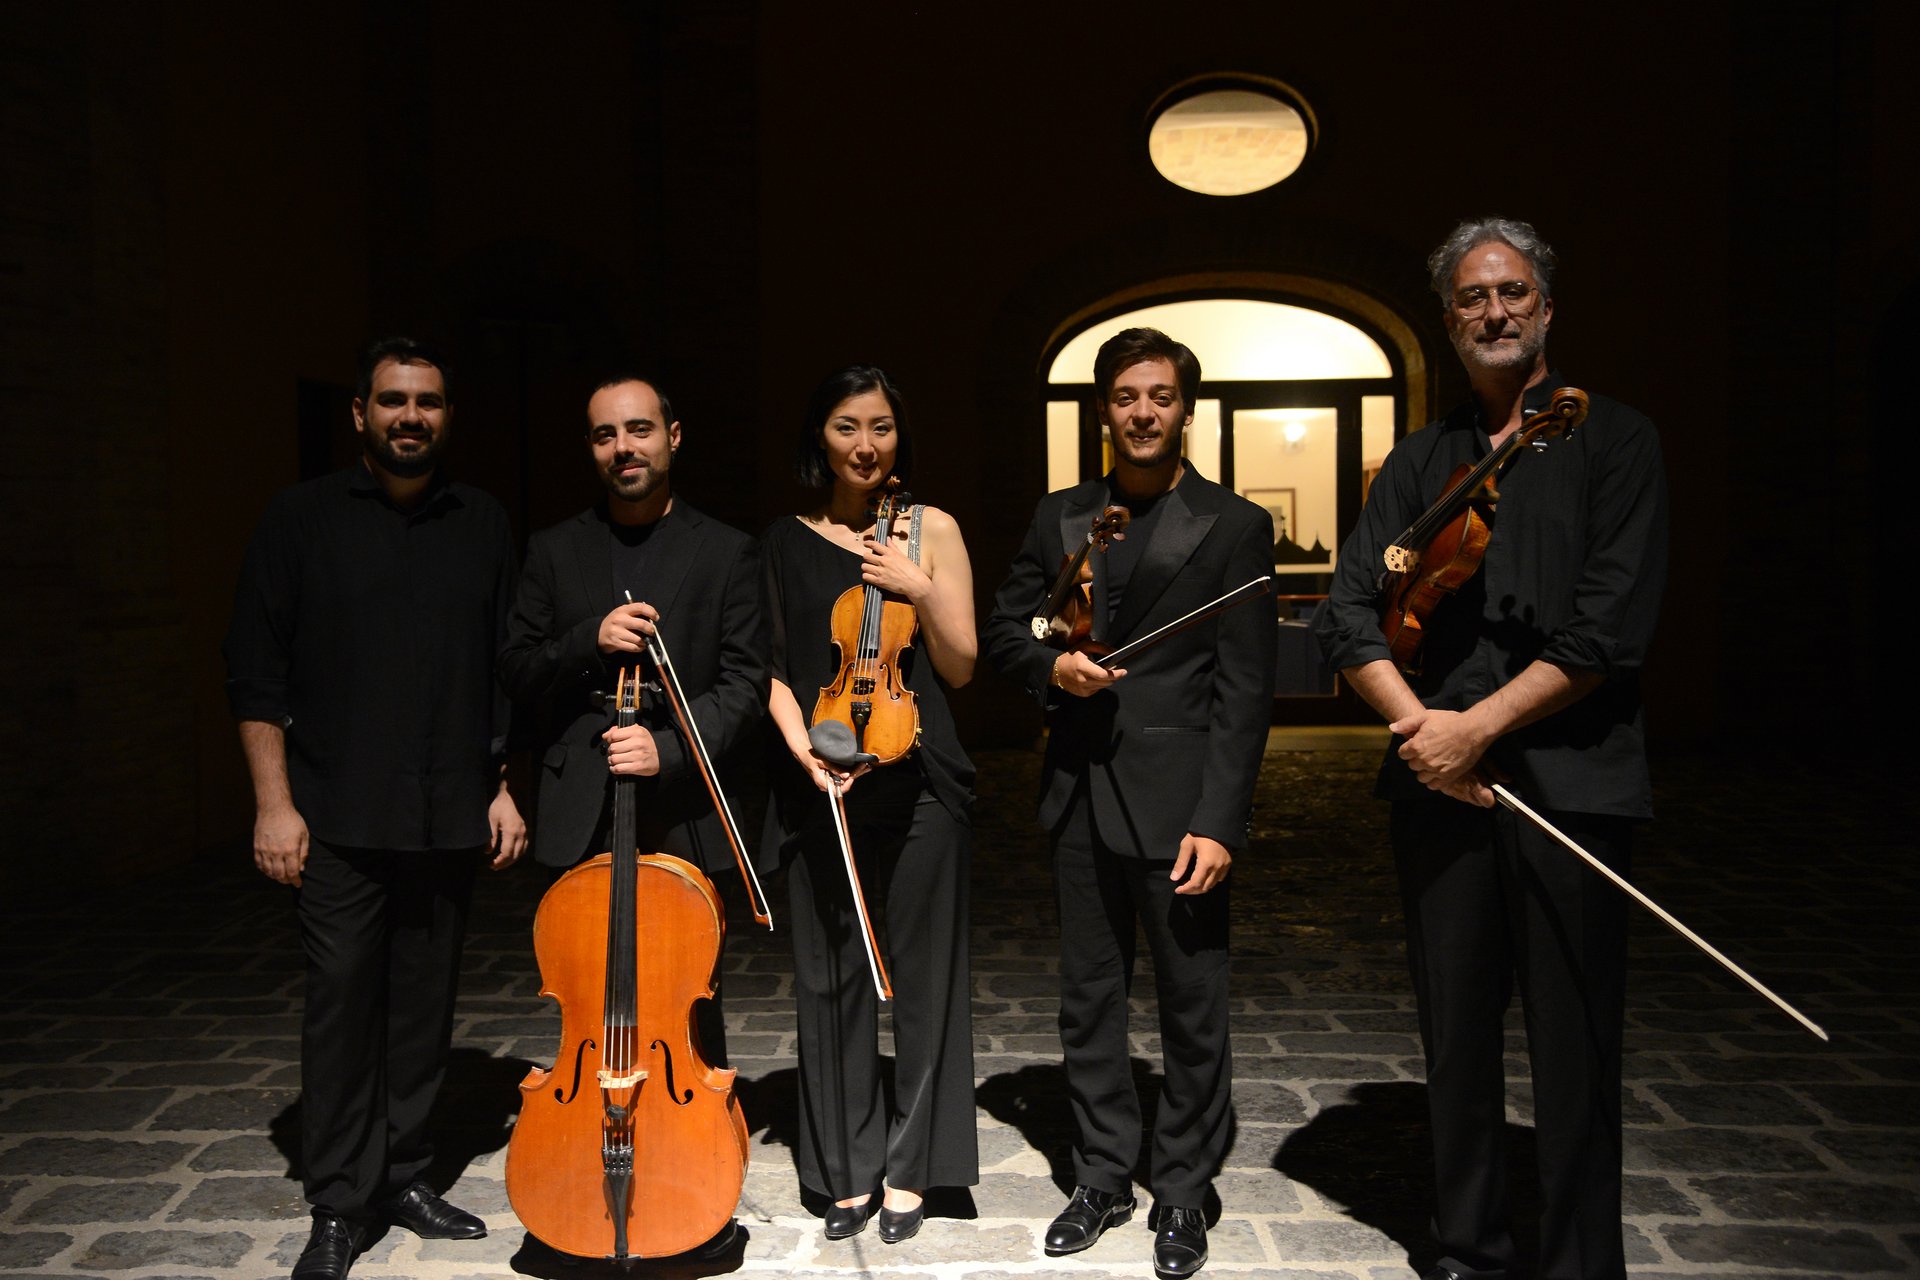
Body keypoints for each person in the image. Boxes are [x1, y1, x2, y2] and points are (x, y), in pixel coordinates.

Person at [1312, 218, 1668, 1280]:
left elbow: (1607, 632)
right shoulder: (1423, 460)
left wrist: (1475, 728)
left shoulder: (1616, 441)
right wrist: (1422, 729)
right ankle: (1469, 1249)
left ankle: (1579, 1264)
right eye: (1473, 296)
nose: (1495, 311)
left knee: (1576, 1048)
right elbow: (1346, 609)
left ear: (1547, 307)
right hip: (1437, 787)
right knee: (1456, 1041)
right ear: (1449, 319)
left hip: (1573, 784)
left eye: (1512, 292)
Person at [225, 337, 526, 1280]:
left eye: (427, 402)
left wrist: (502, 783)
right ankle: (338, 1203)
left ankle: (402, 1176)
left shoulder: (483, 521)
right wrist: (273, 804)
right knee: (342, 1009)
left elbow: (501, 668)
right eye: (393, 400)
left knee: (423, 1011)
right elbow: (254, 672)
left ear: (448, 415)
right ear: (360, 412)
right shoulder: (300, 519)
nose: (410, 417)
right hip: (337, 817)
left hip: (447, 814)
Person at [984, 328, 1277, 1278]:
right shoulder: (1063, 515)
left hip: (1180, 804)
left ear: (1186, 410)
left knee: (1192, 1007)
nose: (1143, 412)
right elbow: (1010, 627)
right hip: (1079, 792)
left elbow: (1245, 690)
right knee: (1088, 1002)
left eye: (1159, 396)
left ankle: (1183, 1186)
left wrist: (1220, 820)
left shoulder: (1233, 525)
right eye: (1124, 397)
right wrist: (1051, 667)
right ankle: (1103, 1174)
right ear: (1102, 410)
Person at [762, 365, 978, 1245]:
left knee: (925, 976)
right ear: (820, 436)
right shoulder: (784, 541)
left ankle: (913, 1168)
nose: (865, 445)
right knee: (832, 975)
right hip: (826, 773)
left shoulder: (933, 529)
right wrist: (805, 752)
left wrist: (919, 587)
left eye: (881, 427)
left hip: (921, 773)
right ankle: (844, 1169)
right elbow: (774, 670)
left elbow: (960, 664)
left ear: (900, 434)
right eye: (847, 427)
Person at [497, 374, 769, 1065]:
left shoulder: (727, 551)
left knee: (688, 992)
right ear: (591, 448)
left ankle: (691, 1122)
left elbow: (746, 685)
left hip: (687, 804)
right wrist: (587, 639)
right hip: (582, 801)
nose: (624, 447)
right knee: (588, 988)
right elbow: (517, 670)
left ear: (672, 438)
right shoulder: (554, 549)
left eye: (639, 430)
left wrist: (669, 748)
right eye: (605, 434)